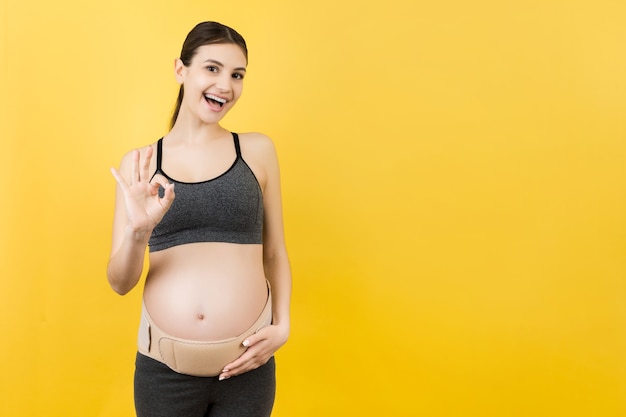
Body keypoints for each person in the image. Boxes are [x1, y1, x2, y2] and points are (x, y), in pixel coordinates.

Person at [107, 21, 291, 417]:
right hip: (164, 373)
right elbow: (120, 283)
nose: (226, 85)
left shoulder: (256, 151)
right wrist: (139, 232)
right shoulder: (141, 164)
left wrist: (283, 324)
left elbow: (274, 251)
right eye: (212, 68)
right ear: (181, 70)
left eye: (236, 74)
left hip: (247, 367)